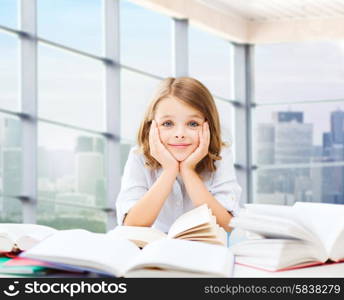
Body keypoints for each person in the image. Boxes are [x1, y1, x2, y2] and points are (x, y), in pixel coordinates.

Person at [116, 77, 241, 233]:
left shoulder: (220, 156)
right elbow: (131, 224)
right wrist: (170, 170)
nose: (180, 134)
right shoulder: (139, 156)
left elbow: (227, 225)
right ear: (152, 127)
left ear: (208, 125)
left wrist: (188, 171)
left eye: (192, 124)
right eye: (168, 124)